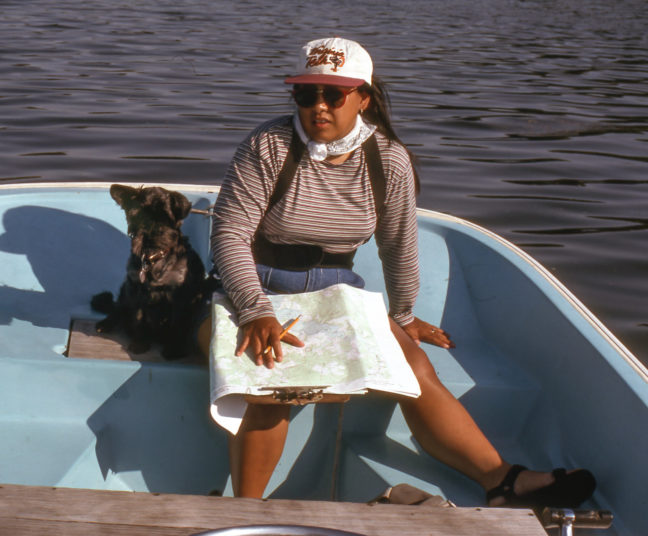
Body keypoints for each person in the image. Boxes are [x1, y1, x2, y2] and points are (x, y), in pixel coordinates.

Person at [200, 37, 595, 509]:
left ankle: (501, 480)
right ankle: (247, 512)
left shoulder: (388, 160)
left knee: (415, 366)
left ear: (363, 97)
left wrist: (404, 315)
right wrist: (255, 313)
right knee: (272, 381)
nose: (318, 107)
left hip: (334, 288)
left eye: (334, 94)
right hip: (252, 287)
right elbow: (228, 237)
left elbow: (399, 246)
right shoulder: (268, 145)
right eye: (306, 94)